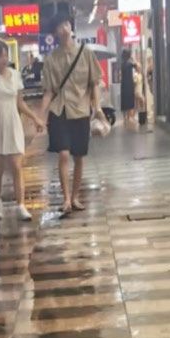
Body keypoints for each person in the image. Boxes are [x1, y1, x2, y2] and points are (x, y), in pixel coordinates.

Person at [41, 12, 105, 217]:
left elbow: (94, 83)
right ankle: (66, 198)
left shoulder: (86, 53)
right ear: (55, 33)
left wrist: (98, 108)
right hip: (60, 110)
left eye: (66, 24)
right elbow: (49, 91)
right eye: (59, 26)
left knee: (79, 156)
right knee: (63, 154)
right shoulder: (51, 59)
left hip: (80, 111)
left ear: (71, 27)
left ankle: (75, 197)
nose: (64, 29)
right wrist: (40, 116)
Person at [0, 38, 44, 221]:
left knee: (17, 166)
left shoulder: (15, 75)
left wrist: (35, 118)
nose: (4, 59)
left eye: (5, 55)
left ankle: (21, 205)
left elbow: (20, 102)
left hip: (12, 122)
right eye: (0, 56)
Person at [120, 49, 136, 126]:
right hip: (129, 84)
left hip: (123, 85)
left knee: (124, 100)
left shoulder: (122, 64)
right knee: (130, 101)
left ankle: (125, 118)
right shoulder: (129, 64)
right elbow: (137, 65)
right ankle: (130, 118)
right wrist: (133, 59)